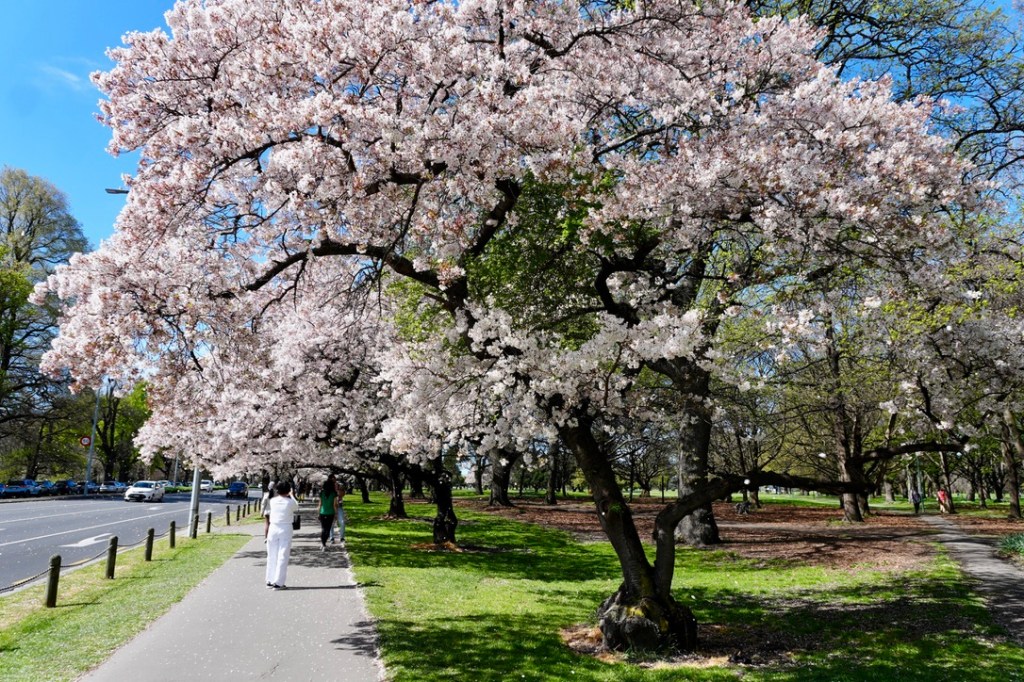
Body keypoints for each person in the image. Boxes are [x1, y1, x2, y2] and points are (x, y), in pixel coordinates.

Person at [263, 480, 298, 590]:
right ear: (288, 490)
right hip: (285, 528)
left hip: (273, 528)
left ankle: (269, 580)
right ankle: (278, 582)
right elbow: (296, 507)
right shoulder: (290, 502)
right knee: (283, 556)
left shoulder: (273, 501)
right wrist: (292, 495)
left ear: (277, 490)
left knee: (271, 554)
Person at [318, 474, 338, 552]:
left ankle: (323, 544)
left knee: (323, 528)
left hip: (323, 512)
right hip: (330, 513)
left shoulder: (322, 493)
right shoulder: (334, 494)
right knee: (328, 529)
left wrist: (318, 513)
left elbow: (320, 504)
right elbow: (335, 505)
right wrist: (336, 514)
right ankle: (324, 543)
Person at [331, 479, 347, 545]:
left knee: (342, 522)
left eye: (337, 485)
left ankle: (342, 537)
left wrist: (340, 489)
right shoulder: (330, 491)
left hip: (339, 507)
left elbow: (343, 494)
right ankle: (331, 538)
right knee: (331, 524)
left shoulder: (340, 491)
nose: (336, 486)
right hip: (331, 508)